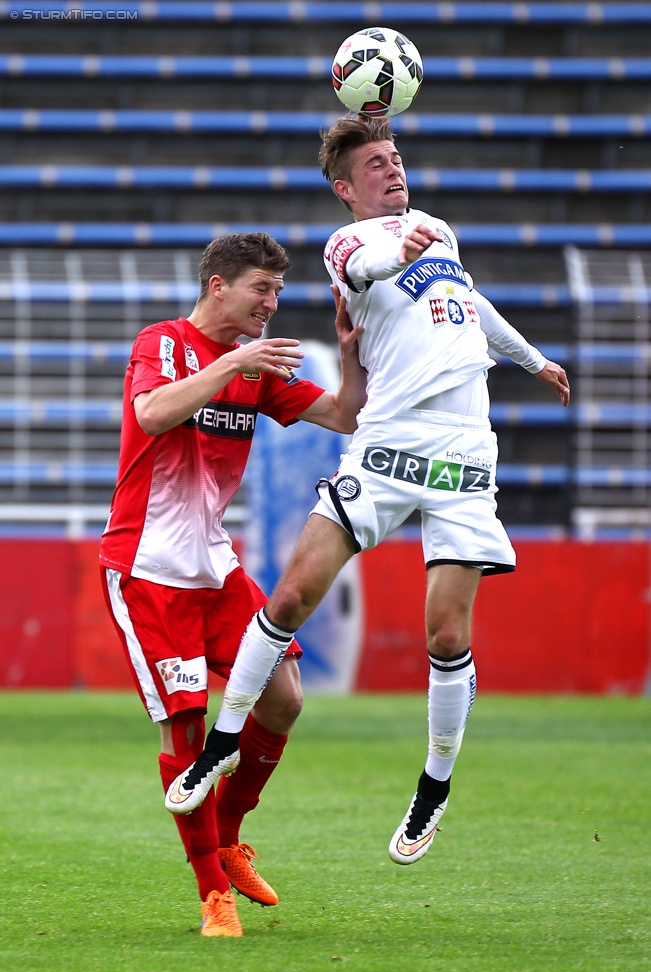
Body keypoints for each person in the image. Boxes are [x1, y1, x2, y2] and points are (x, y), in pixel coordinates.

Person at [168, 117, 571, 869]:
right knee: (289, 597)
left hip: (461, 449)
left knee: (446, 637)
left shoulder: (436, 231)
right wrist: (399, 249)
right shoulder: (346, 245)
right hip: (385, 440)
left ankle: (433, 788)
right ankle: (219, 744)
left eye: (396, 159)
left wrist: (531, 359)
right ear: (344, 188)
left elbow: (470, 304)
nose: (393, 171)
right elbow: (366, 268)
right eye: (375, 165)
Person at [99, 232, 367, 938]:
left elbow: (343, 415)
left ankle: (227, 833)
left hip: (215, 568)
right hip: (148, 569)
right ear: (219, 285)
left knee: (283, 697)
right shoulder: (163, 342)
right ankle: (211, 892)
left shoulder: (260, 366)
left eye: (277, 292)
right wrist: (235, 363)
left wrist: (346, 346)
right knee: (185, 730)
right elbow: (152, 413)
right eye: (261, 289)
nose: (272, 304)